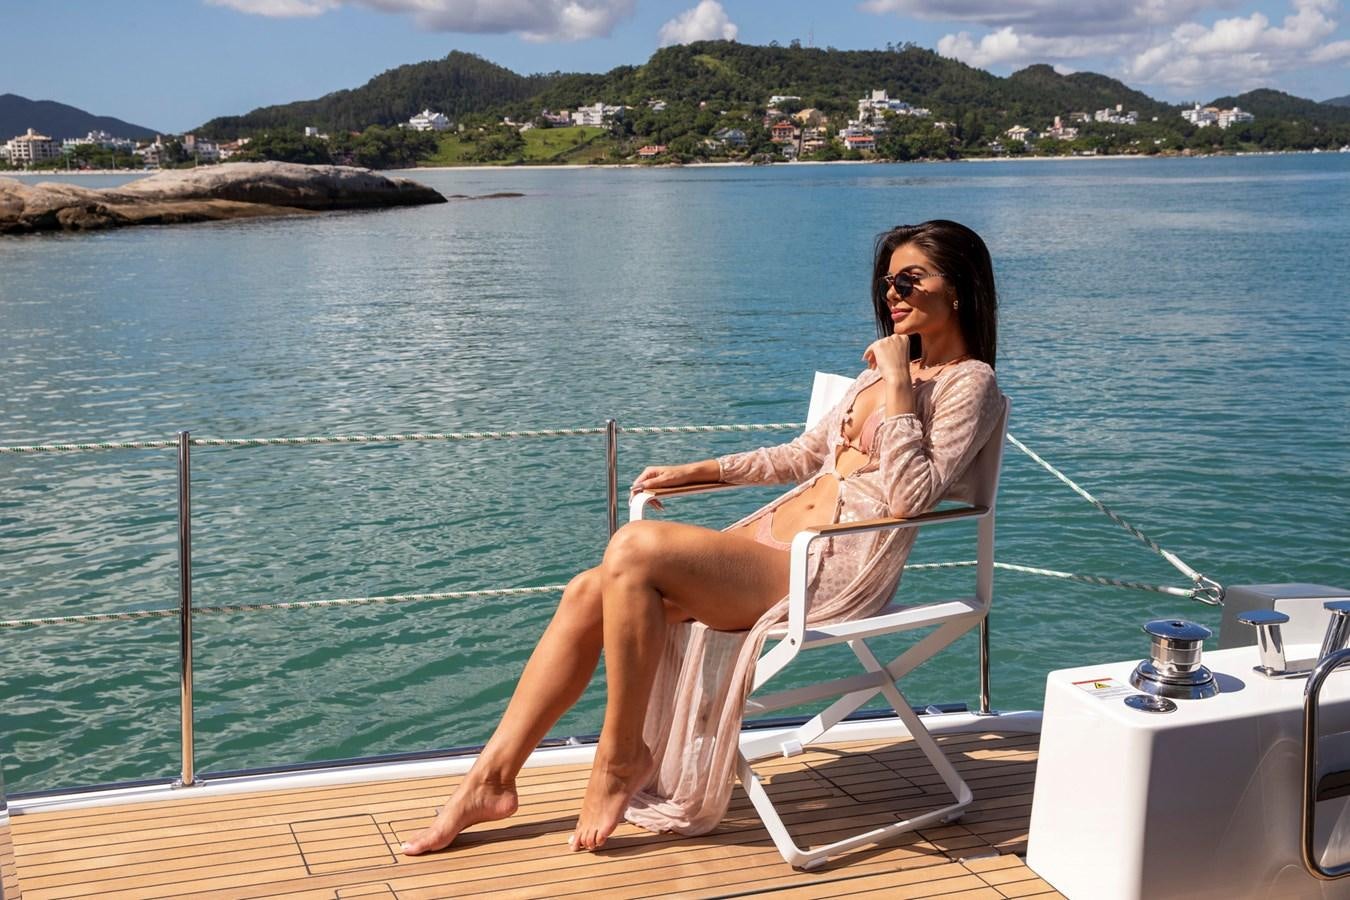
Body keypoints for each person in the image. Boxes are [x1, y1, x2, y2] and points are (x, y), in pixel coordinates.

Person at [401, 219, 1005, 856]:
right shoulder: (875, 375)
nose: (893, 294)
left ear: (959, 288)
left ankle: (619, 757)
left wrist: (903, 384)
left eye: (911, 279)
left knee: (635, 549)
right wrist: (703, 471)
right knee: (588, 590)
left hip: (829, 571)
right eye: (888, 281)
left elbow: (912, 498)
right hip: (771, 544)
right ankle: (490, 781)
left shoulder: (972, 383)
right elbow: (805, 455)